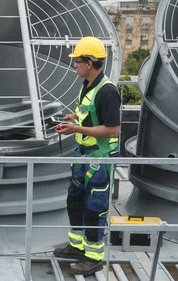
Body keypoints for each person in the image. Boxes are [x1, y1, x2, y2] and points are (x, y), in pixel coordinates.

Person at [54, 36, 121, 276]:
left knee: (95, 207)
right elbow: (89, 114)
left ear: (89, 63)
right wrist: (73, 119)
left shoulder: (107, 92)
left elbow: (113, 129)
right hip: (84, 155)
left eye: (77, 60)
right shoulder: (87, 86)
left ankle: (93, 257)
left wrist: (77, 130)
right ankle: (77, 246)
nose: (74, 64)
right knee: (75, 200)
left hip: (99, 158)